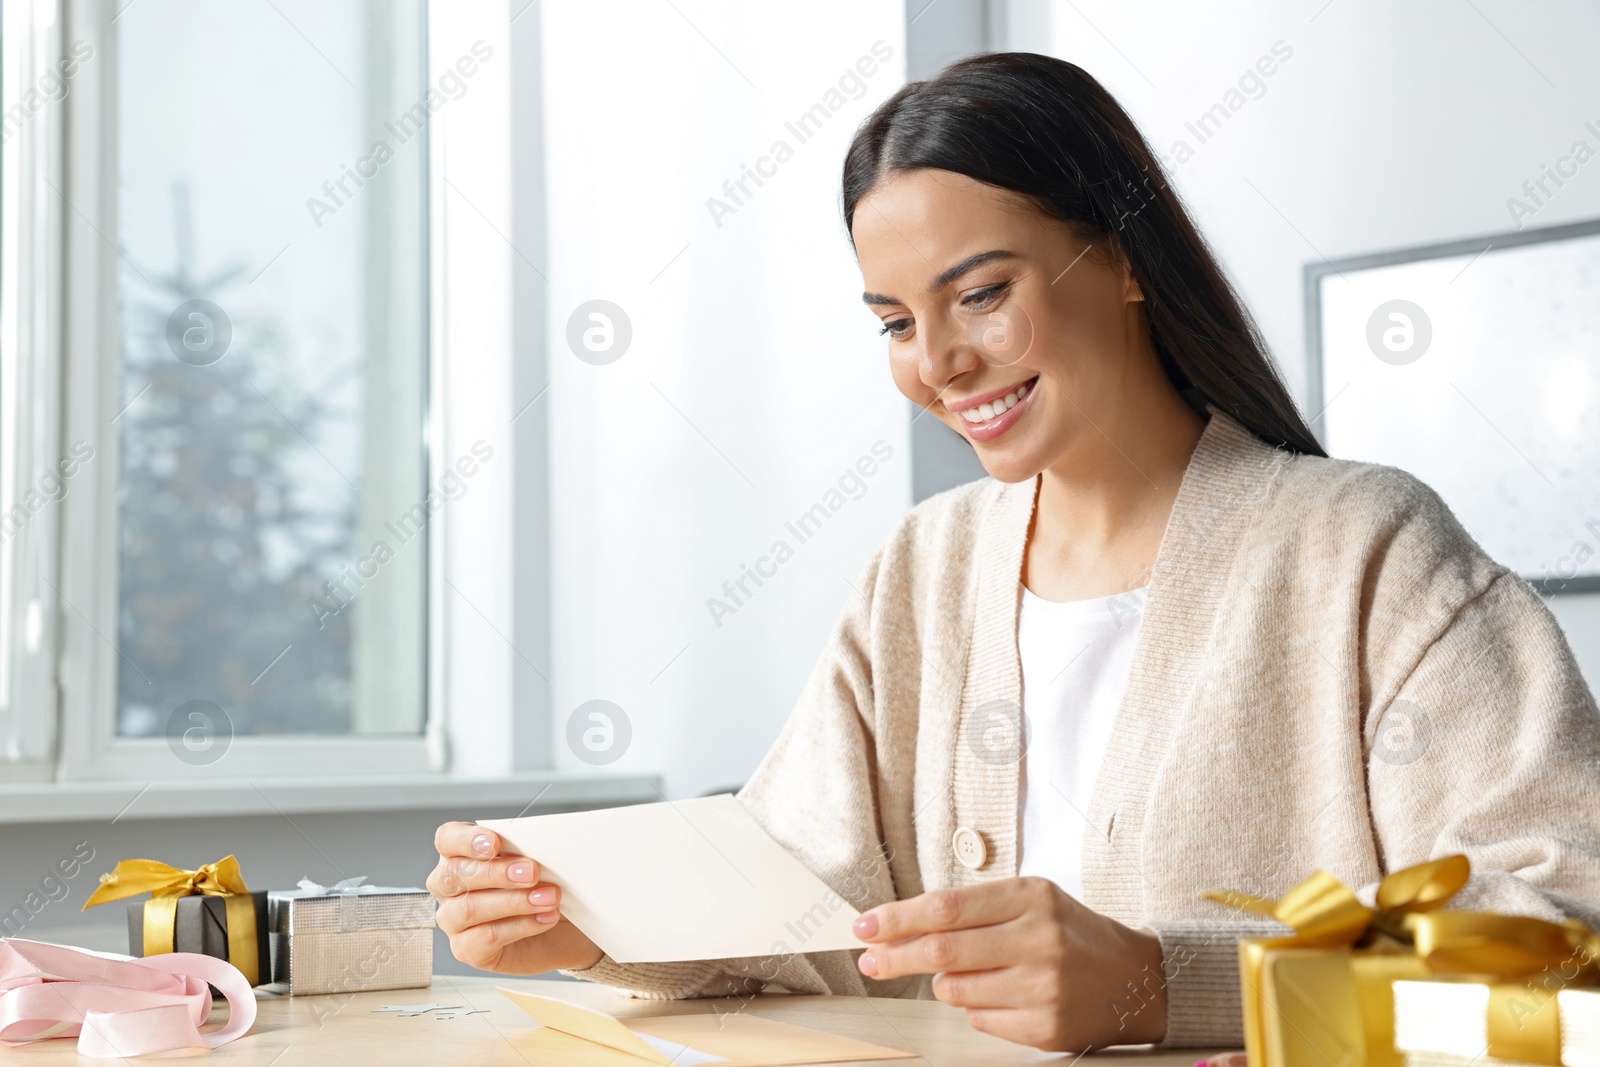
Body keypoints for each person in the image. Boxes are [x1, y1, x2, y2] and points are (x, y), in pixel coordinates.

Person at [428, 52, 1600, 1052]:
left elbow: (1563, 952)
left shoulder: (1365, 548)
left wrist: (1156, 979)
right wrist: (590, 925)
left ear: (1127, 259)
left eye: (979, 293)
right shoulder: (922, 569)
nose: (935, 362)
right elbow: (810, 918)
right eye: (893, 322)